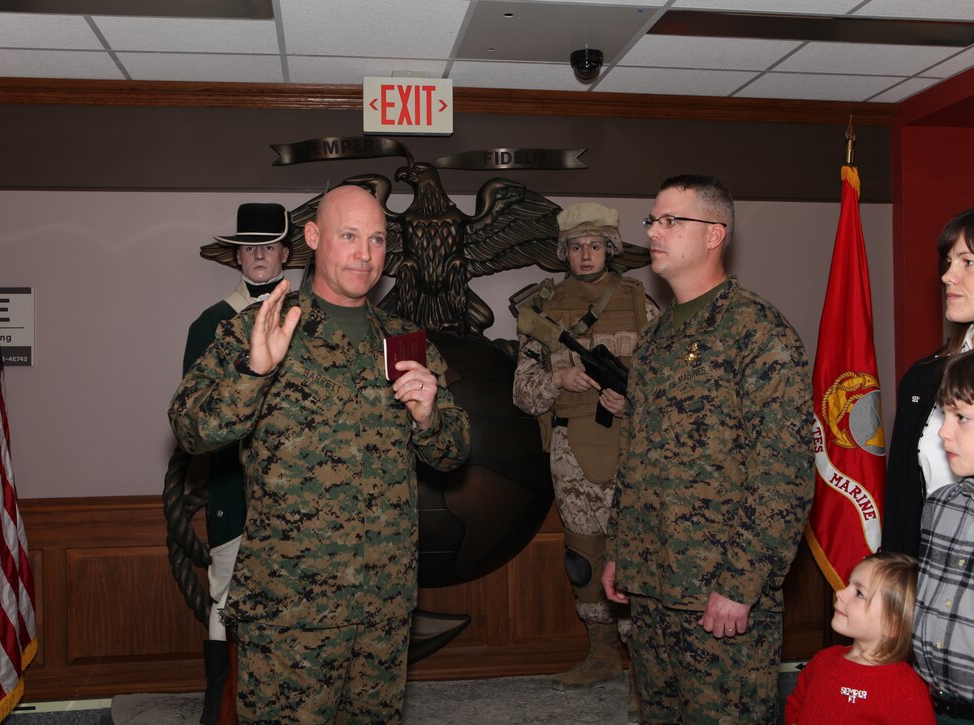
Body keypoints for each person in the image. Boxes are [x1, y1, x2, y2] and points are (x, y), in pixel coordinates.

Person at [169, 184, 471, 723]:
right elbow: (190, 428)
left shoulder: (404, 340)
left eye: (377, 239)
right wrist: (254, 372)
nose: (365, 254)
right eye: (349, 235)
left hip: (383, 605)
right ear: (312, 237)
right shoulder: (259, 327)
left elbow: (454, 451)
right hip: (292, 609)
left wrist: (428, 419)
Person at [602, 174, 814, 723]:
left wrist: (742, 583)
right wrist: (619, 550)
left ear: (714, 234)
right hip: (651, 585)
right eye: (652, 220)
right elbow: (634, 455)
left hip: (719, 593)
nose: (653, 232)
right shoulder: (654, 339)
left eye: (671, 221)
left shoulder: (757, 332)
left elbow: (784, 474)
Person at [510, 202, 658, 697]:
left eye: (596, 245)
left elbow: (669, 389)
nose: (586, 255)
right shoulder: (543, 311)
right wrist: (558, 379)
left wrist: (631, 402)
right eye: (576, 247)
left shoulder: (640, 304)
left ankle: (645, 670)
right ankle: (602, 655)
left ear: (610, 249)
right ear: (564, 253)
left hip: (632, 452)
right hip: (571, 452)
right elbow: (522, 393)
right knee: (584, 556)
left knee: (633, 555)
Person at [182, 202, 292, 724]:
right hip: (236, 483)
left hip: (299, 490)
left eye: (268, 246)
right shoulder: (210, 324)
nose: (259, 255)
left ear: (285, 253)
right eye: (250, 247)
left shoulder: (307, 318)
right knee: (226, 595)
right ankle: (221, 709)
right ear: (237, 257)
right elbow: (194, 416)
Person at [882, 202, 974, 558]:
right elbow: (901, 508)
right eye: (949, 262)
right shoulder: (923, 380)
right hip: (933, 574)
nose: (948, 276)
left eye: (968, 262)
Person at [913, 341, 974, 722]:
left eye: (962, 417)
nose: (943, 433)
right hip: (930, 706)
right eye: (944, 415)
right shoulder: (941, 507)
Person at [785, 551, 934, 724]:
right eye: (848, 584)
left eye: (859, 593)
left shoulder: (907, 689)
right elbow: (796, 704)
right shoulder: (822, 660)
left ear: (892, 625)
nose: (840, 593)